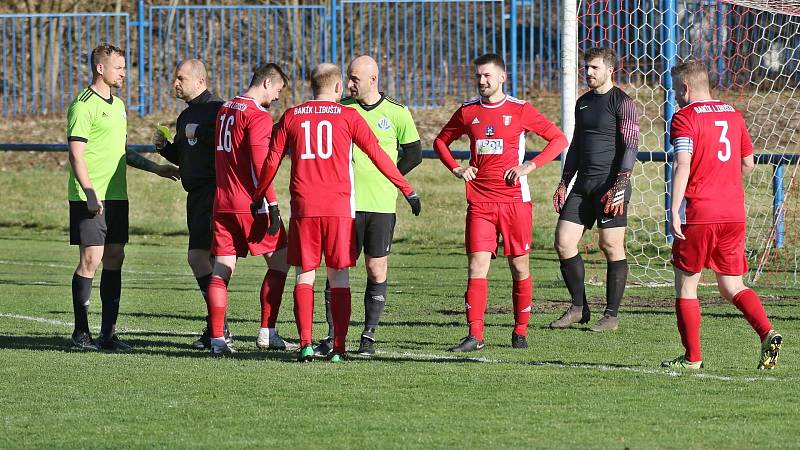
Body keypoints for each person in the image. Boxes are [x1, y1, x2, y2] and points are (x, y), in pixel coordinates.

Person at [253, 63, 421, 363]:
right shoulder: (348, 116)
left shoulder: (292, 116)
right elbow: (379, 155)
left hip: (304, 209)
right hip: (339, 210)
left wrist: (259, 197)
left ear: (311, 86)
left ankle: (305, 343)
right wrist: (406, 188)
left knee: (305, 275)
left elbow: (271, 161)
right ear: (338, 87)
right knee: (339, 276)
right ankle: (339, 348)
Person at [433, 53, 568, 352]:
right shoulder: (468, 112)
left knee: (519, 267)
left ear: (503, 77)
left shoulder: (520, 110)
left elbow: (558, 139)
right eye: (478, 76)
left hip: (514, 202)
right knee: (477, 266)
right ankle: (475, 335)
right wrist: (456, 167)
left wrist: (529, 166)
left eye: (487, 76)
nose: (482, 81)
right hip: (480, 201)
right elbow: (440, 142)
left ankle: (520, 331)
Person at [661, 59, 782, 370]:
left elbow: (682, 164)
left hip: (700, 212)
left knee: (686, 286)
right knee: (732, 286)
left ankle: (692, 358)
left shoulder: (684, 117)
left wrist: (673, 209)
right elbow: (748, 163)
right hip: (733, 213)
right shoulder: (733, 113)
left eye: (676, 90)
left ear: (686, 88)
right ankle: (767, 332)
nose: (675, 95)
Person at [67, 43, 178, 350]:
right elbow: (76, 155)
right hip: (90, 196)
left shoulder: (118, 106)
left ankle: (107, 335)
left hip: (117, 196)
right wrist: (90, 193)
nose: (123, 73)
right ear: (100, 68)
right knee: (91, 259)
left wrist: (157, 169)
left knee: (115, 258)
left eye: (124, 67)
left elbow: (120, 152)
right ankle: (80, 333)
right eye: (118, 67)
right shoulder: (83, 103)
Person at [315, 55, 423, 357]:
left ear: (373, 79)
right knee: (337, 268)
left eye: (355, 79)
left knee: (376, 269)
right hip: (343, 204)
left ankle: (368, 335)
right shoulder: (341, 110)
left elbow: (414, 154)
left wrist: (391, 178)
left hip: (380, 204)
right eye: (348, 78)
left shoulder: (398, 113)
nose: (349, 84)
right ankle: (333, 333)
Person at [204, 63, 294, 356]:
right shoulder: (258, 115)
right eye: (279, 90)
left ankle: (217, 339)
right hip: (251, 205)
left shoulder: (226, 108)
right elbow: (261, 166)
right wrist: (273, 205)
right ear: (267, 83)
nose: (278, 97)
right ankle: (268, 332)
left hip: (223, 203)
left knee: (222, 269)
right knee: (281, 261)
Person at [550, 47, 640, 332]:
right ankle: (579, 307)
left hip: (611, 185)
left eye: (594, 68)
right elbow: (576, 145)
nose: (588, 72)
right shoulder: (583, 102)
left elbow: (630, 146)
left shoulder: (622, 102)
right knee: (564, 242)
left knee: (610, 245)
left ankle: (611, 315)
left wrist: (620, 184)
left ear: (609, 70)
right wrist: (564, 182)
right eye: (586, 67)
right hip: (582, 185)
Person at [152, 59, 233, 349]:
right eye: (176, 78)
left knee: (200, 257)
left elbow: (226, 147)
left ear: (200, 81)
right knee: (204, 258)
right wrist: (165, 149)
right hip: (195, 196)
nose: (175, 83)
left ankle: (219, 327)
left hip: (213, 193)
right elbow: (187, 158)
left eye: (181, 78)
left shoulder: (217, 110)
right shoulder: (186, 115)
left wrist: (202, 134)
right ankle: (217, 327)